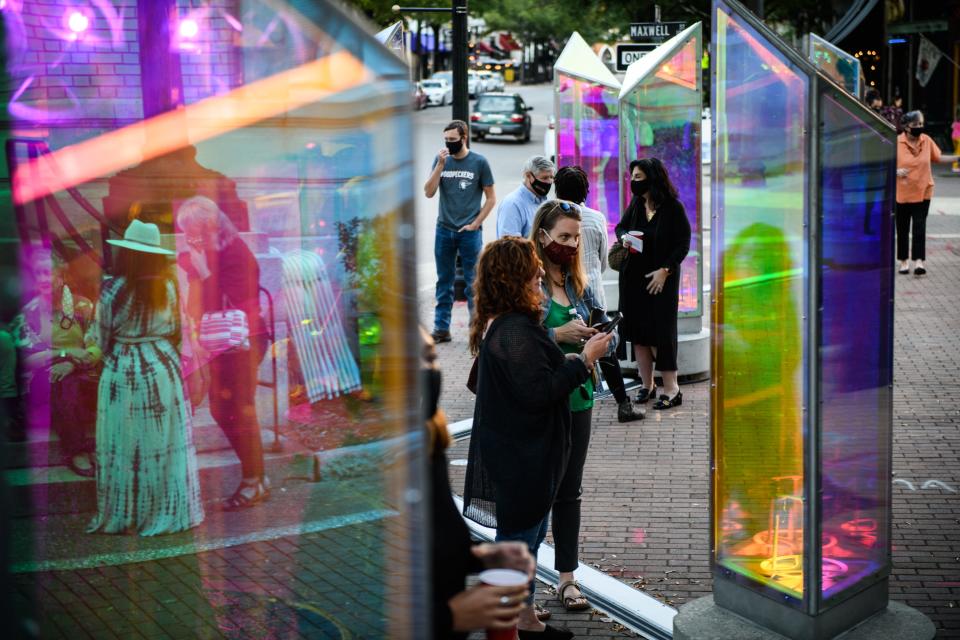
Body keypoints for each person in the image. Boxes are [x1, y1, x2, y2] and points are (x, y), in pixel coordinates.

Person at [463, 236, 613, 639]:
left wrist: (560, 360)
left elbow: (527, 378)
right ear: (515, 277)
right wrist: (585, 360)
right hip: (521, 459)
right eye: (533, 269)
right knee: (516, 548)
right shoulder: (514, 330)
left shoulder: (511, 325)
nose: (540, 274)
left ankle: (523, 620)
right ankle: (505, 629)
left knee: (523, 544)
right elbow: (538, 393)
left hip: (523, 457)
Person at [87, 219, 204, 535]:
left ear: (127, 253)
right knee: (162, 447)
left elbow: (100, 337)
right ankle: (163, 510)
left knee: (125, 447)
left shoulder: (113, 289)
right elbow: (179, 331)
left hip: (123, 370)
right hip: (163, 368)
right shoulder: (168, 286)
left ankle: (128, 514)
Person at [422, 326, 535, 639]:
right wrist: (449, 617)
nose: (425, 372)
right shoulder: (377, 465)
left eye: (430, 358)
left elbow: (432, 546)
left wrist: (481, 556)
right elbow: (358, 599)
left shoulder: (428, 445)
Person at [176, 196, 270, 509]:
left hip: (244, 340)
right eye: (188, 234)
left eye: (196, 232)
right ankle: (256, 475)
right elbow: (195, 305)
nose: (192, 239)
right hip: (218, 345)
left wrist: (204, 273)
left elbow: (241, 301)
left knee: (242, 409)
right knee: (220, 409)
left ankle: (253, 480)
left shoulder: (237, 255)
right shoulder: (205, 255)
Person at [553, 166, 643, 423]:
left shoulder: (551, 216)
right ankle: (623, 404)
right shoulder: (595, 217)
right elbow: (603, 261)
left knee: (565, 344)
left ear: (557, 189)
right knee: (605, 347)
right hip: (591, 289)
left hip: (562, 292)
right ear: (586, 191)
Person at [10, 249, 99, 475]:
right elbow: (30, 359)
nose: (43, 278)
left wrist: (71, 364)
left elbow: (96, 346)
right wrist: (64, 354)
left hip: (81, 373)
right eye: (38, 273)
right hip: (43, 381)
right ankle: (77, 450)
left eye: (48, 272)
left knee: (74, 381)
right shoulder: (29, 312)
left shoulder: (82, 307)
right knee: (61, 382)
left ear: (61, 277)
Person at [616, 158, 691, 410]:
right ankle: (646, 384)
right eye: (632, 177)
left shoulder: (672, 208)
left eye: (638, 177)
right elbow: (621, 227)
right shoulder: (637, 203)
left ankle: (672, 388)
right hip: (633, 279)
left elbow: (682, 244)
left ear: (653, 178)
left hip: (661, 280)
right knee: (638, 332)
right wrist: (625, 237)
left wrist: (665, 270)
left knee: (662, 334)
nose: (634, 182)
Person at [424, 120, 497, 344]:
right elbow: (428, 192)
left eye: (453, 140)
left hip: (469, 232)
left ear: (464, 138)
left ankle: (476, 330)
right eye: (446, 140)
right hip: (444, 229)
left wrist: (475, 224)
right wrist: (439, 166)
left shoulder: (479, 162)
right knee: (443, 282)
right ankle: (441, 328)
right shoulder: (441, 160)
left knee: (473, 282)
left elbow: (491, 198)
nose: (449, 143)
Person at [895, 110, 958, 275]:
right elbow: (885, 163)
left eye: (921, 124)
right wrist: (895, 171)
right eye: (916, 125)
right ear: (906, 127)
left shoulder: (926, 140)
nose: (919, 128)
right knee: (902, 229)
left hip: (923, 191)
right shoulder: (897, 143)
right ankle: (903, 262)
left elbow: (939, 157)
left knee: (919, 228)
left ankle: (919, 262)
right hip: (902, 193)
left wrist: (957, 158)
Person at [496, 155, 555, 239]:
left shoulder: (545, 201)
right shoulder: (512, 205)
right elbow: (510, 244)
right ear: (528, 176)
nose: (549, 182)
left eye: (551, 177)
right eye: (544, 178)